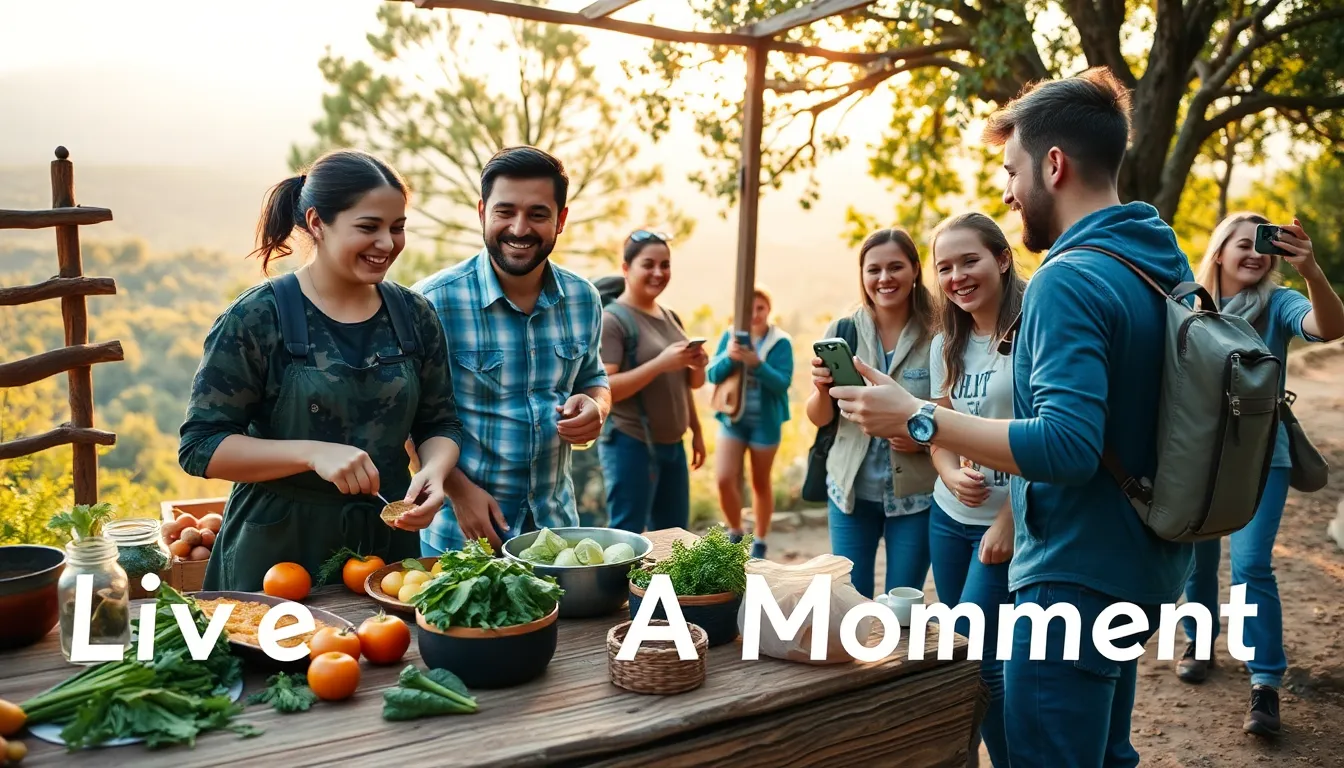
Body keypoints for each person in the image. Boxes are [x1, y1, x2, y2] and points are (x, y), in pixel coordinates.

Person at [829, 67, 1196, 766]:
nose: (1006, 191)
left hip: (1071, 576)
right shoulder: (1157, 259)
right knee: (1108, 754)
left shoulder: (1069, 277)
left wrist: (918, 419)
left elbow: (1067, 446)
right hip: (1140, 566)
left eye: (1011, 170)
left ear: (1052, 165)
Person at [179, 149, 464, 591]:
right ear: (316, 223)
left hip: (385, 548)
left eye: (397, 227)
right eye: (368, 227)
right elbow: (200, 447)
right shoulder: (257, 317)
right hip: (276, 550)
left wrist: (435, 471)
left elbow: (439, 422)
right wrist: (313, 453)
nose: (387, 243)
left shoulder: (415, 315)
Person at [1177, 212, 1344, 736]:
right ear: (1220, 249)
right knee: (1196, 560)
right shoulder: (1184, 305)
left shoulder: (1278, 304)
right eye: (1243, 244)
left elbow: (1331, 327)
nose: (1255, 253)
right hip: (1193, 459)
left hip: (1260, 457)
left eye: (1264, 245)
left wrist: (1312, 270)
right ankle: (1199, 640)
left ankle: (1265, 681)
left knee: (1251, 565)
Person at [412, 146, 611, 555]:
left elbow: (595, 378)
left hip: (556, 535)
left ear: (561, 219)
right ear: (482, 211)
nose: (520, 229)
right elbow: (407, 420)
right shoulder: (433, 302)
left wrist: (597, 407)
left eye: (538, 214)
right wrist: (458, 491)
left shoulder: (583, 298)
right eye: (505, 212)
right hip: (461, 535)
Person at [925, 212, 1026, 766]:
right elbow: (937, 427)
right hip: (950, 518)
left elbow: (1057, 432)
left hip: (1009, 523)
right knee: (975, 656)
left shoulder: (1034, 330)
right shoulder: (951, 340)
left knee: (979, 658)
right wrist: (946, 472)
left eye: (970, 261)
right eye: (945, 267)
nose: (958, 276)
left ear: (1003, 258)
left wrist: (1010, 516)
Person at [806, 228, 938, 600]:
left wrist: (922, 439)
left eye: (895, 267)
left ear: (915, 269)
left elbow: (956, 412)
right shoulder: (843, 331)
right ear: (862, 275)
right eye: (873, 269)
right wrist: (820, 390)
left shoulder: (940, 333)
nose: (884, 278)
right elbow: (819, 418)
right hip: (850, 494)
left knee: (903, 602)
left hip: (917, 497)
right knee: (851, 602)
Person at [598, 230, 708, 533]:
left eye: (665, 264)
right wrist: (660, 364)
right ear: (626, 268)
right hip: (630, 444)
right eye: (648, 264)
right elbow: (605, 390)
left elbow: (689, 383)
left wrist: (696, 431)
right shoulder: (614, 320)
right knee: (626, 537)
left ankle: (659, 585)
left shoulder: (670, 316)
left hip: (673, 446)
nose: (658, 273)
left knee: (675, 538)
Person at [707, 286, 794, 558]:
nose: (754, 314)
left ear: (769, 310)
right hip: (732, 418)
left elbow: (782, 383)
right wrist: (729, 358)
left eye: (760, 308)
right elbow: (712, 374)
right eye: (749, 309)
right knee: (723, 478)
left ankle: (761, 539)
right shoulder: (731, 336)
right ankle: (735, 530)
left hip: (765, 423)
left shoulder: (780, 341)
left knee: (760, 481)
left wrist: (757, 363)